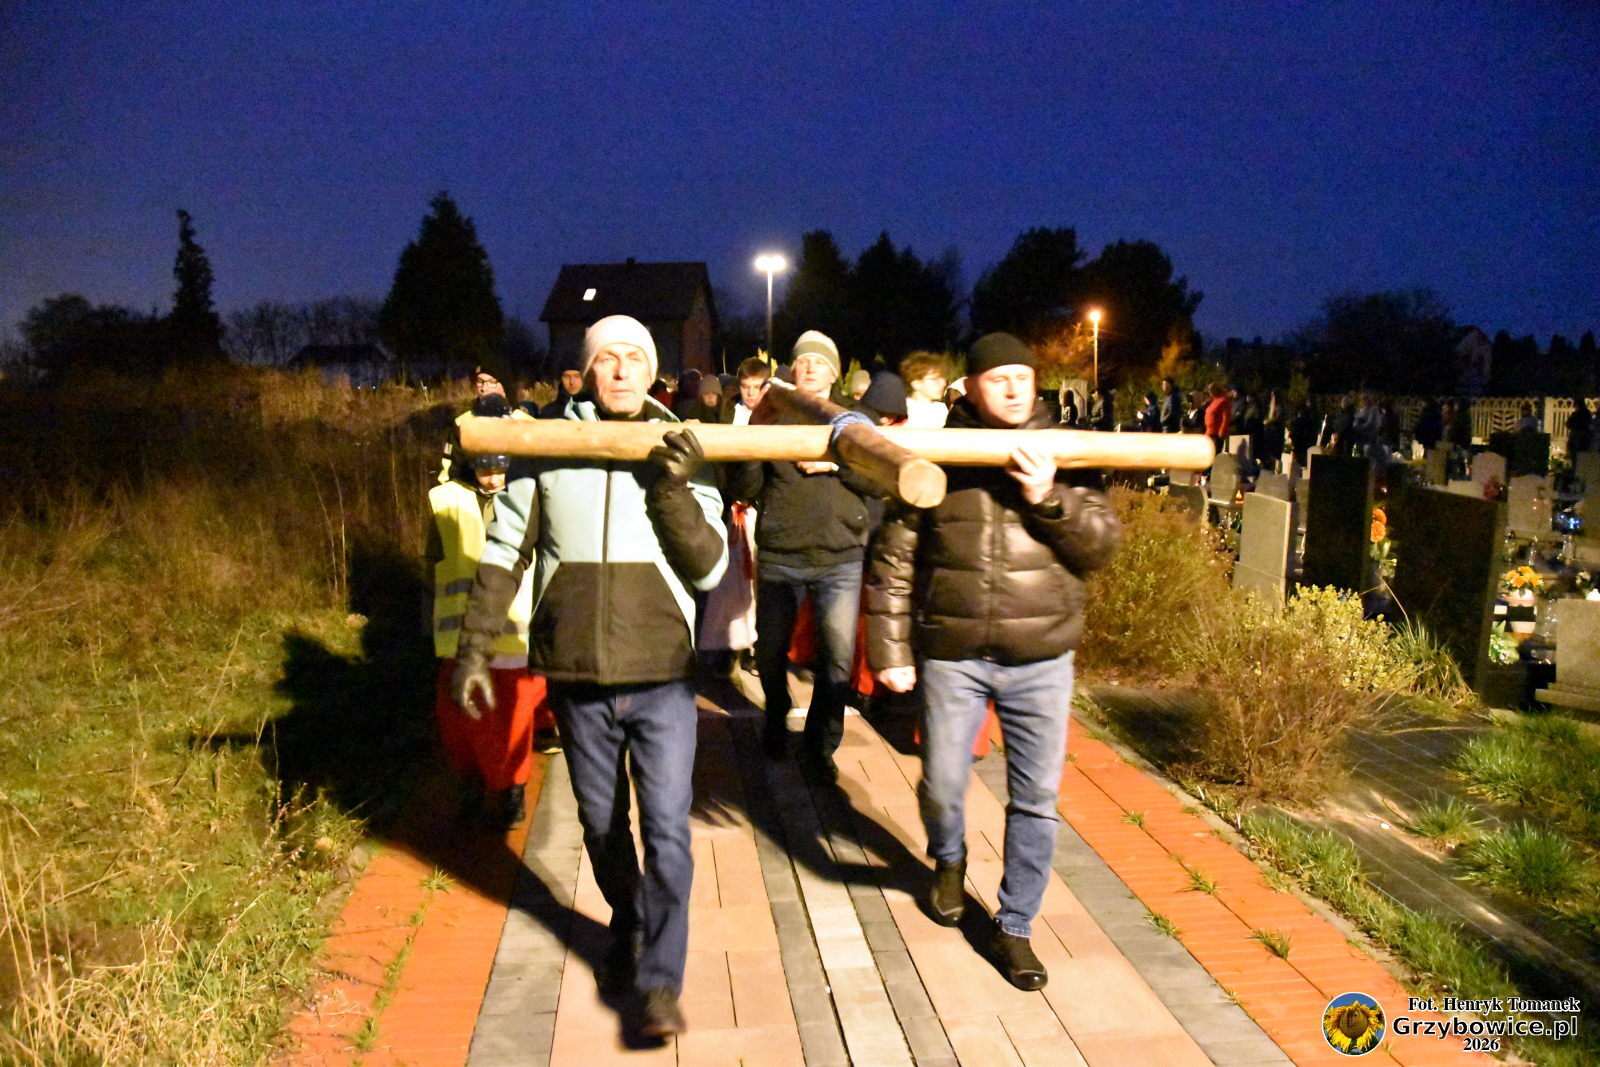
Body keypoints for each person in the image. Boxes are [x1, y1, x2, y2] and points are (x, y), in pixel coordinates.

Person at [450, 315, 727, 1037]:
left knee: (667, 830)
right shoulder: (545, 448)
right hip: (577, 675)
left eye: (636, 357)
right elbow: (505, 549)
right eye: (609, 357)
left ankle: (661, 979)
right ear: (587, 369)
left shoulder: (685, 447)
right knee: (602, 828)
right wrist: (475, 647)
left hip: (661, 673)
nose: (623, 369)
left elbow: (710, 566)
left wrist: (673, 489)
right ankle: (628, 923)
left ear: (653, 371)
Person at [866, 332, 1119, 990]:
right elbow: (894, 559)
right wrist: (890, 649)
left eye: (1023, 377)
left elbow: (1099, 547)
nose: (1013, 388)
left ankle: (1015, 925)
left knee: (1035, 799)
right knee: (942, 783)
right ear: (971, 387)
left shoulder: (1069, 453)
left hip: (1042, 658)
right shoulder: (939, 454)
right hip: (954, 654)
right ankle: (948, 859)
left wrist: (1047, 498)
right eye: (998, 378)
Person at [727, 330, 880, 782]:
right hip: (782, 551)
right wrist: (753, 437)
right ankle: (776, 717)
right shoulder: (773, 417)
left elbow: (877, 483)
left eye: (820, 361)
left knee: (836, 662)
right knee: (771, 651)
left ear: (835, 372)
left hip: (840, 556)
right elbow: (745, 489)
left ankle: (819, 746)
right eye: (803, 361)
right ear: (793, 370)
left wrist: (838, 463)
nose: (811, 367)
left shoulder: (859, 421)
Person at [426, 402, 555, 830]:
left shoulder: (532, 496)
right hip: (458, 637)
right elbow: (433, 563)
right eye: (485, 469)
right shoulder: (446, 500)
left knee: (512, 721)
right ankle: (470, 782)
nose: (494, 478)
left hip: (516, 636)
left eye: (501, 469)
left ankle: (511, 792)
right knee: (459, 720)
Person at [437, 354, 533, 484]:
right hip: (471, 491)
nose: (484, 388)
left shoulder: (526, 423)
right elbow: (449, 467)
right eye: (480, 381)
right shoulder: (462, 423)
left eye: (492, 382)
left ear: (505, 385)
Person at [899, 351, 950, 428]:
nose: (943, 383)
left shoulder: (941, 409)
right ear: (916, 383)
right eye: (934, 379)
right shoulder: (902, 410)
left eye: (942, 378)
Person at [1203, 382, 1231, 455]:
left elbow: (1226, 418)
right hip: (1209, 432)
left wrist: (1222, 432)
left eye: (1211, 390)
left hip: (1216, 434)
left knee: (1213, 454)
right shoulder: (1213, 402)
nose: (1210, 392)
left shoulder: (1223, 401)